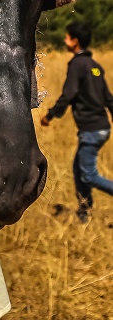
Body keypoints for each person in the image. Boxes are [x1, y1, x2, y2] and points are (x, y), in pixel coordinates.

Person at [41, 21, 113, 221]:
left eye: (67, 37)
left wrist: (50, 115)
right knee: (78, 169)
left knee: (89, 175)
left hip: (91, 130)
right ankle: (84, 210)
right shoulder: (94, 67)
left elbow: (68, 94)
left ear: (75, 41)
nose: (65, 40)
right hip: (101, 128)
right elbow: (108, 97)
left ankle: (85, 210)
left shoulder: (78, 65)